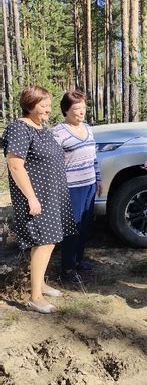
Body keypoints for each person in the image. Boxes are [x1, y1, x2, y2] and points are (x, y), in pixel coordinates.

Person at [3, 86, 77, 313]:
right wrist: (32, 198)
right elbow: (15, 165)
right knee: (44, 242)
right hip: (36, 197)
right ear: (30, 104)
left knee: (49, 241)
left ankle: (41, 284)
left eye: (49, 104)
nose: (48, 109)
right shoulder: (19, 128)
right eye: (43, 105)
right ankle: (35, 297)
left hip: (51, 195)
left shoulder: (41, 128)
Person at [52, 91, 102, 283]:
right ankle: (67, 268)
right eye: (76, 109)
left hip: (89, 184)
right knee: (71, 228)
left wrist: (98, 178)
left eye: (83, 107)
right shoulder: (58, 132)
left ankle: (79, 260)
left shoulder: (88, 128)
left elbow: (93, 157)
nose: (81, 112)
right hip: (70, 187)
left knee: (85, 225)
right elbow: (53, 163)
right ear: (66, 110)